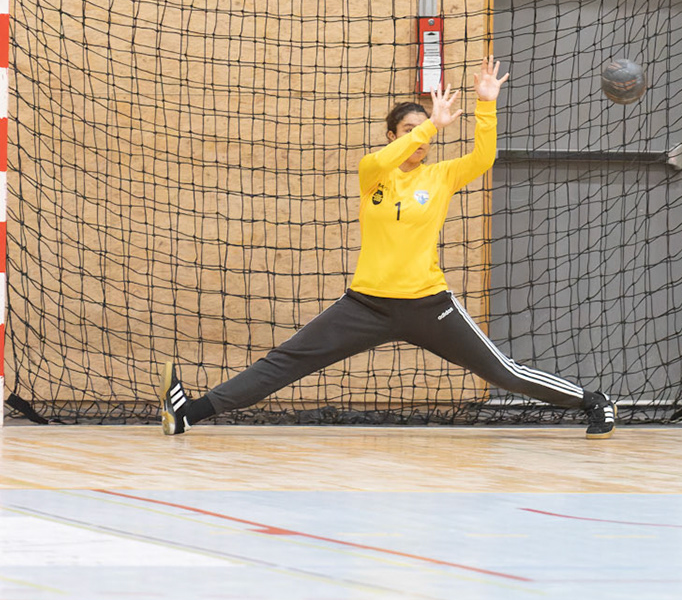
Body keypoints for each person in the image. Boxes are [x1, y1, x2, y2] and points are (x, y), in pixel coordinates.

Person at [158, 58, 615, 437]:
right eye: (410, 130)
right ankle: (189, 415)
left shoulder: (441, 176)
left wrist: (485, 105)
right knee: (285, 362)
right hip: (366, 305)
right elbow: (385, 158)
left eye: (425, 128)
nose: (421, 137)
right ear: (392, 135)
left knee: (503, 371)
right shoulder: (373, 171)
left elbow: (483, 158)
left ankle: (593, 401)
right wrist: (429, 128)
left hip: (427, 304)